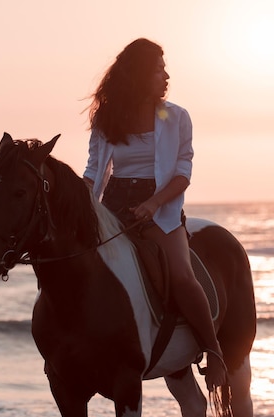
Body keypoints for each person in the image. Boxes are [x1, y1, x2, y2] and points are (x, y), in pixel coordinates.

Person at [82, 38, 227, 390]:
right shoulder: (108, 116)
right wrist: (81, 204)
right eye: (158, 68)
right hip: (114, 204)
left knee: (181, 276)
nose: (166, 75)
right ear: (138, 74)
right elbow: (94, 170)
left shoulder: (175, 116)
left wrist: (153, 204)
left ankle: (214, 352)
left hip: (160, 206)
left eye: (165, 68)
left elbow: (182, 173)